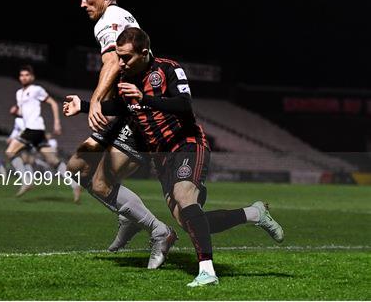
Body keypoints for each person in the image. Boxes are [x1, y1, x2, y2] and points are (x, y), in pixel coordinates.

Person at [64, 27, 284, 288]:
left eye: (126, 57)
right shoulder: (126, 79)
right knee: (189, 220)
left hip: (186, 143)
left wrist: (145, 98)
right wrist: (85, 106)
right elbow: (122, 107)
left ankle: (207, 271)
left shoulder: (167, 69)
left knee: (184, 195)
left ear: (144, 53)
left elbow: (184, 104)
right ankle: (253, 213)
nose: (121, 63)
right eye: (119, 57)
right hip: (161, 157)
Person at [68, 0, 176, 269]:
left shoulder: (109, 18)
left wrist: (97, 101)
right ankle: (128, 216)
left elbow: (114, 63)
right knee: (77, 167)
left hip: (139, 115)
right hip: (122, 113)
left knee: (102, 182)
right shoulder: (116, 17)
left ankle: (160, 232)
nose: (82, 3)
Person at [5, 65, 81, 202]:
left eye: (27, 75)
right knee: (53, 161)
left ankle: (26, 180)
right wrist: (16, 112)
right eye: (22, 75)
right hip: (35, 130)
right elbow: (25, 112)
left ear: (32, 77)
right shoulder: (18, 93)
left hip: (34, 129)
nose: (24, 77)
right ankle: (75, 184)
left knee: (10, 152)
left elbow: (53, 103)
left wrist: (57, 122)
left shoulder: (36, 89)